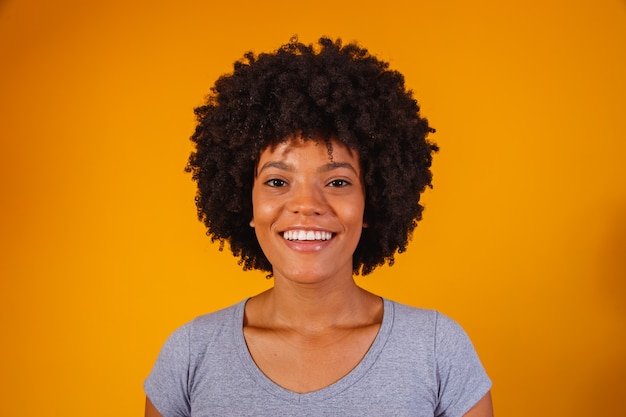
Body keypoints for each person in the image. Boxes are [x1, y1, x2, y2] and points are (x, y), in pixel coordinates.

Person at [144, 36, 493, 417]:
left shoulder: (437, 350)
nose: (306, 206)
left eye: (338, 182)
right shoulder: (192, 355)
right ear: (246, 201)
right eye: (277, 182)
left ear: (370, 203)